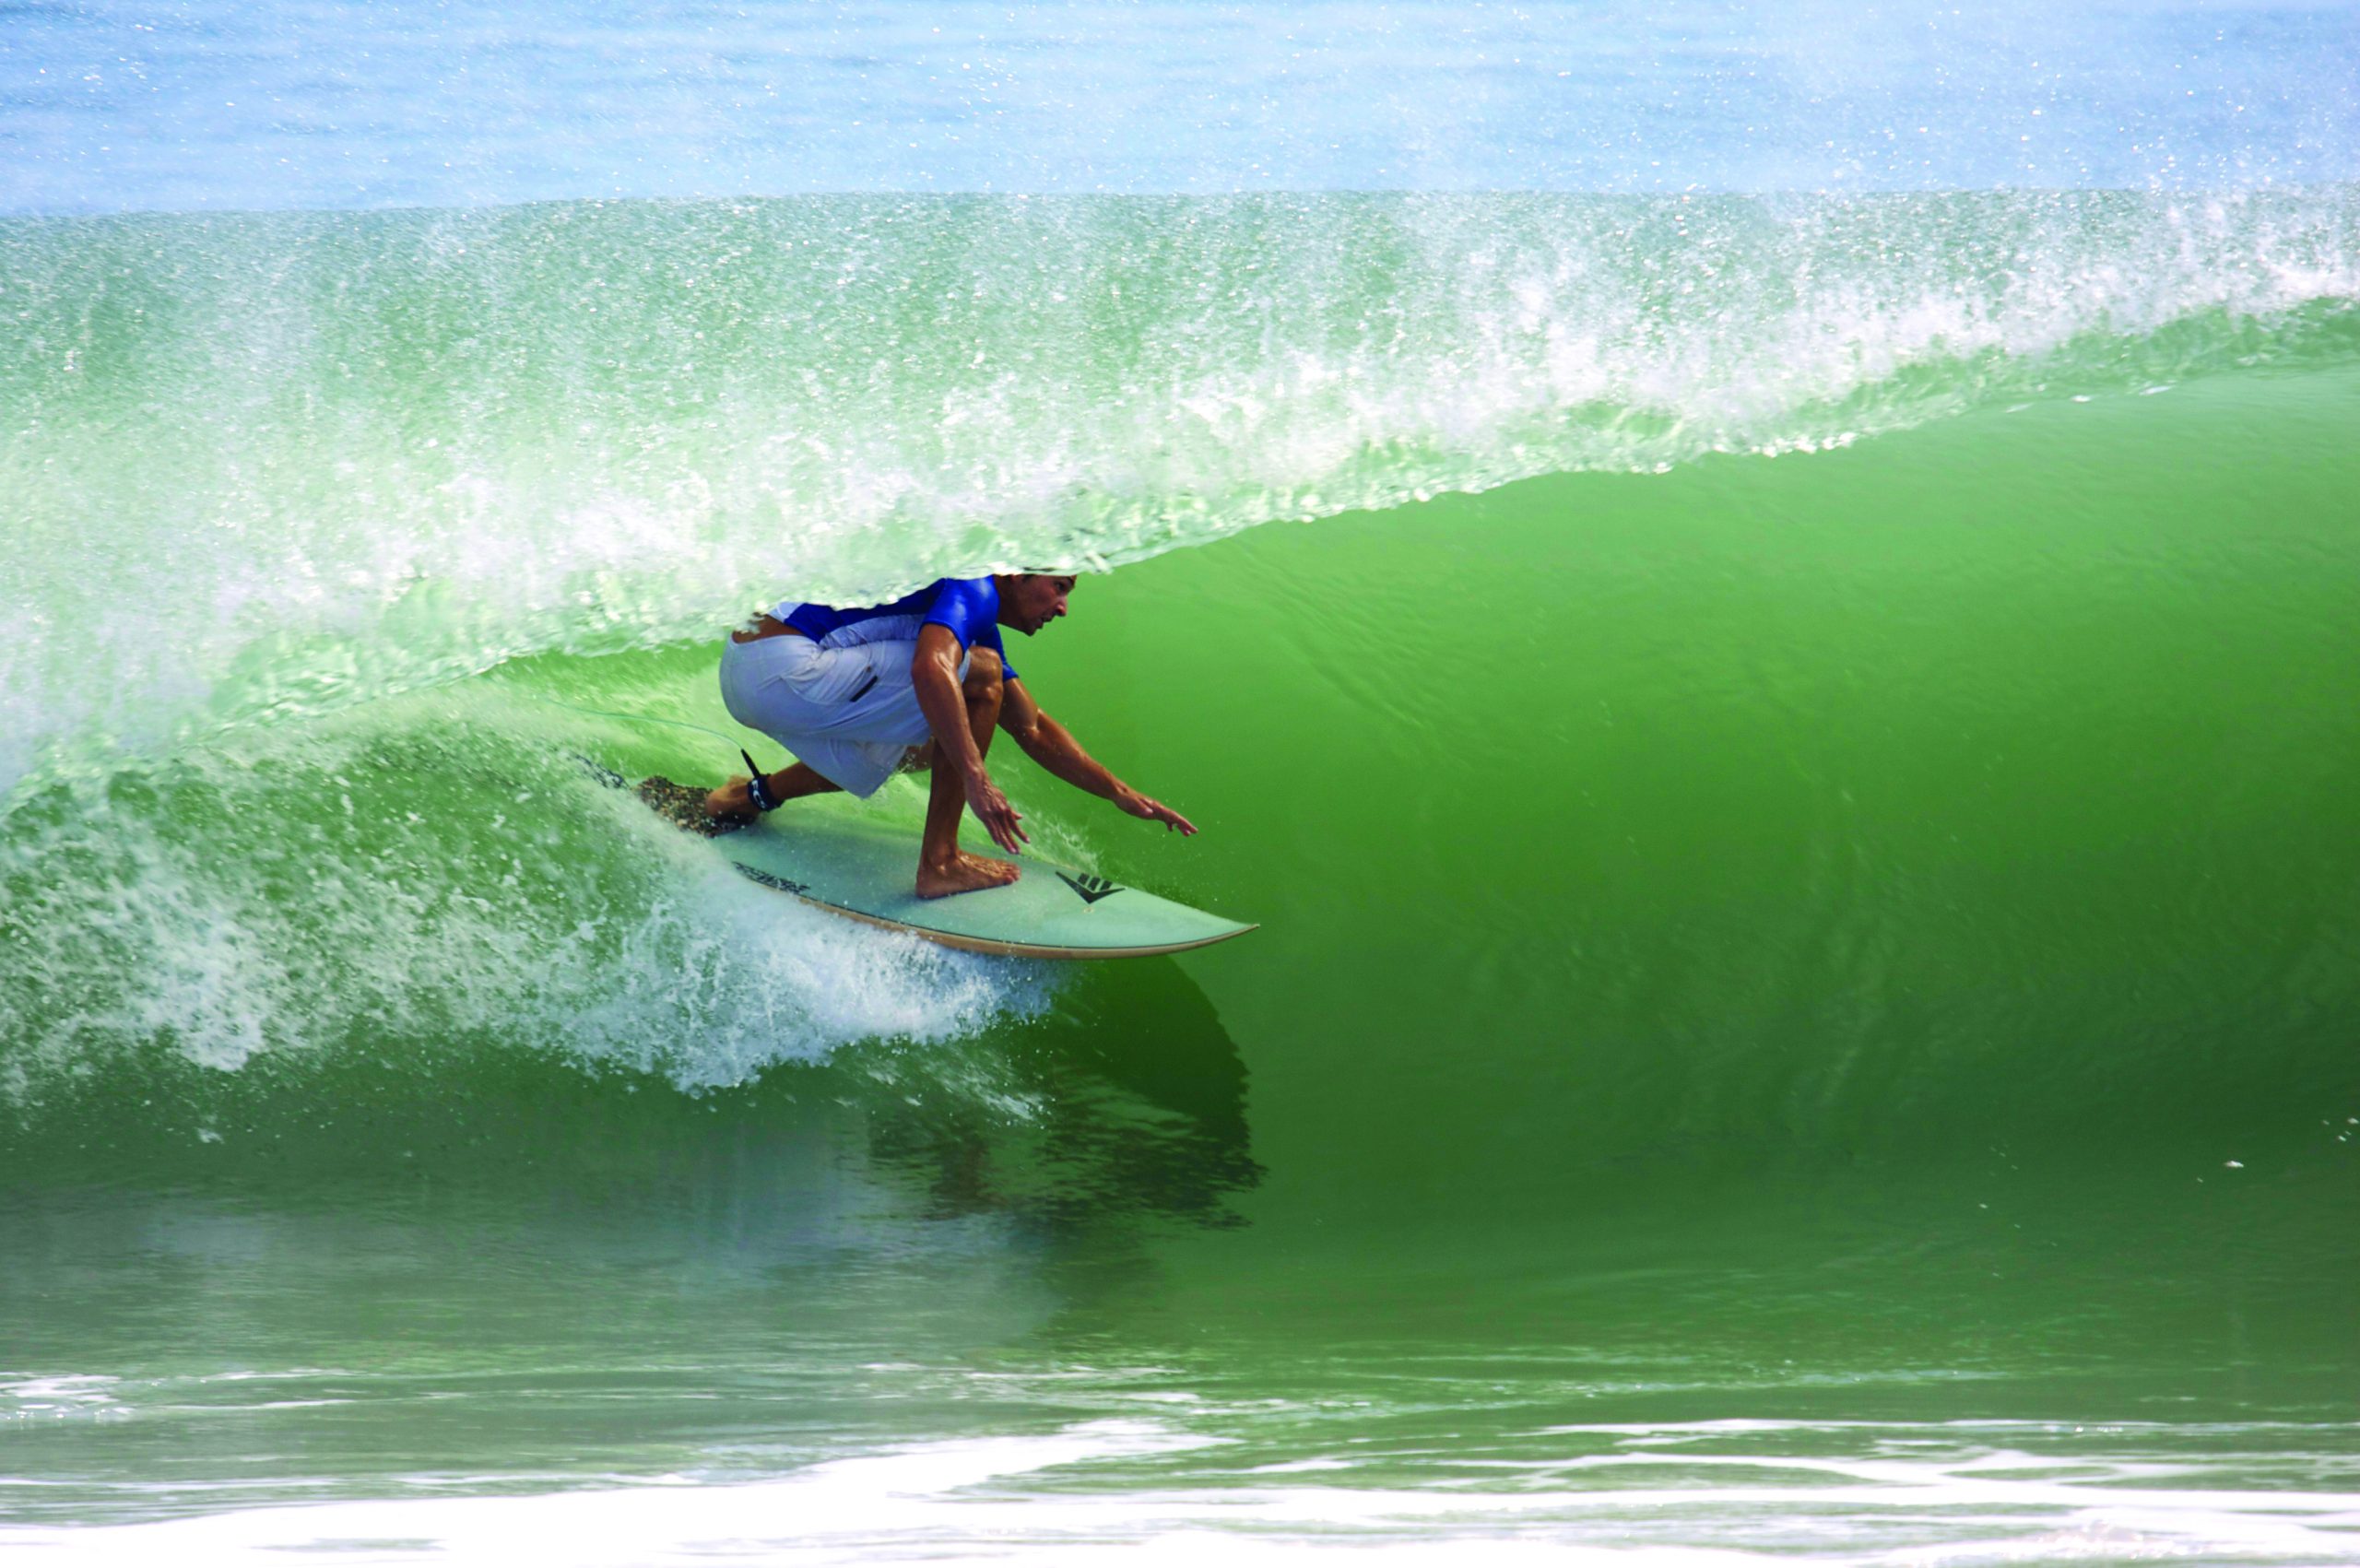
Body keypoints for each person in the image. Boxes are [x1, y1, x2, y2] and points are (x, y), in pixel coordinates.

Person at [668, 572, 1197, 899]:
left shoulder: (973, 618)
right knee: (973, 684)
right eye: (1059, 588)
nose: (1062, 607)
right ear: (1014, 574)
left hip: (754, 669)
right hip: (783, 664)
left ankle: (742, 798)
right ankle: (940, 861)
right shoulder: (972, 587)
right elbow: (929, 668)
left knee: (935, 737)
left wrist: (1120, 793)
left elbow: (1031, 727)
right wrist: (975, 776)